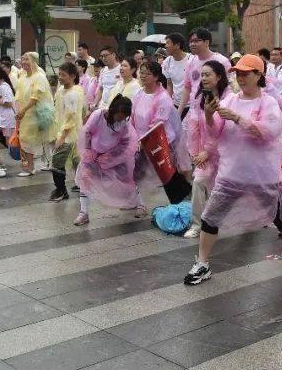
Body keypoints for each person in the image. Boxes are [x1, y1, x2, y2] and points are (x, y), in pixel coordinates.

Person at [184, 54, 282, 285]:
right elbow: (215, 133)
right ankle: (202, 263)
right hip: (231, 174)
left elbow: (270, 131)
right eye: (238, 73)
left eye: (246, 73)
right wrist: (209, 116)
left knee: (281, 219)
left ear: (259, 75)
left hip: (263, 177)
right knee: (210, 217)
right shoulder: (230, 101)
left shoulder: (269, 102)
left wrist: (239, 119)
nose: (241, 77)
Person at [74, 95, 141, 226]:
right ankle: (84, 213)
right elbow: (86, 132)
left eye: (124, 117)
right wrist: (88, 150)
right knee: (85, 179)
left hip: (113, 157)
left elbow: (126, 143)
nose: (121, 119)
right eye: (119, 116)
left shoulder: (123, 124)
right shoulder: (98, 115)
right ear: (113, 110)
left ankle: (141, 204)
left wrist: (111, 155)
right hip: (93, 154)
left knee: (126, 180)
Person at [183, 60, 230, 238]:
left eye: (208, 74)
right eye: (202, 74)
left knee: (225, 188)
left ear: (219, 77)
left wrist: (208, 151)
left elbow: (222, 130)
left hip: (224, 153)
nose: (203, 78)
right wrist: (195, 152)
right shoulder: (199, 96)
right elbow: (194, 126)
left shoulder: (228, 99)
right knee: (198, 183)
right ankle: (198, 225)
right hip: (204, 152)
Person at [131, 60, 183, 210]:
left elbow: (157, 123)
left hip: (159, 142)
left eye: (147, 73)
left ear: (156, 77)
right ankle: (139, 203)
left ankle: (178, 204)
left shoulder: (163, 98)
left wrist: (144, 140)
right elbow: (133, 117)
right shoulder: (139, 93)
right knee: (135, 172)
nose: (143, 76)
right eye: (141, 73)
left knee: (166, 174)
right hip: (140, 141)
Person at [49, 63, 86, 202]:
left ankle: (61, 190)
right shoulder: (61, 91)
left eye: (63, 75)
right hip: (66, 131)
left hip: (69, 135)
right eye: (59, 74)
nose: (60, 78)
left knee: (57, 161)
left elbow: (71, 118)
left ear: (73, 76)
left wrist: (62, 136)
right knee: (76, 161)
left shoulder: (73, 94)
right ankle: (75, 187)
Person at [15, 52, 54, 176]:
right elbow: (18, 95)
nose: (24, 62)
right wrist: (18, 110)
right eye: (23, 59)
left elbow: (35, 97)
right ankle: (31, 166)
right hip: (25, 114)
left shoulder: (39, 77)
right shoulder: (22, 77)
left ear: (34, 61)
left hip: (36, 114)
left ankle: (37, 165)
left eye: (27, 59)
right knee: (26, 139)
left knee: (38, 138)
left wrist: (23, 110)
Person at [181, 27, 232, 117]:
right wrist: (179, 111)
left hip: (216, 112)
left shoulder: (222, 61)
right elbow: (187, 87)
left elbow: (229, 87)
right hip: (194, 113)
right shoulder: (190, 61)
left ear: (207, 42)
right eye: (191, 41)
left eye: (196, 41)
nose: (192, 44)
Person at [162, 33, 192, 112]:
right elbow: (169, 84)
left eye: (168, 43)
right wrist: (168, 103)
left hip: (191, 105)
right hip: (175, 104)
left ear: (177, 45)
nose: (166, 46)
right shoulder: (167, 62)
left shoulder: (192, 60)